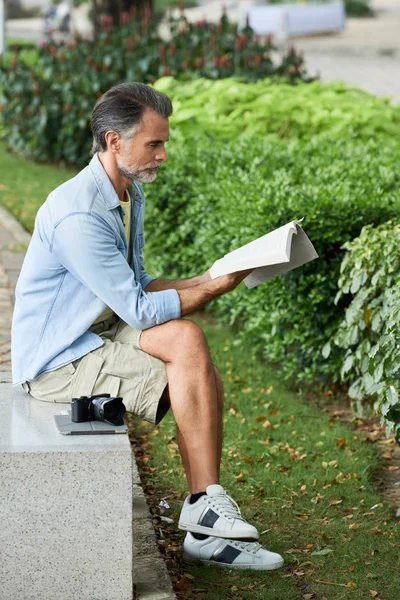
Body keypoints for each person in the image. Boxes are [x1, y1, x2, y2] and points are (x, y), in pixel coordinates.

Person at [11, 83, 284, 571]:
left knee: (189, 344)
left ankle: (204, 508)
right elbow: (139, 309)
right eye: (153, 144)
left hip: (99, 327)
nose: (163, 154)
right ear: (115, 142)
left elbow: (136, 284)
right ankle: (204, 516)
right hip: (59, 359)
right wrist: (214, 288)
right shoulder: (80, 212)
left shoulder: (126, 190)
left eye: (164, 142)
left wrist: (206, 277)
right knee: (190, 367)